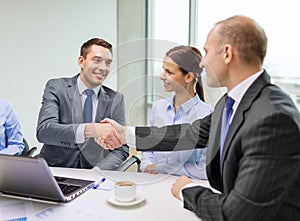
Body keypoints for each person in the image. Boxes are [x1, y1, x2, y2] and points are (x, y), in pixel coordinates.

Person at [96, 15, 300, 221]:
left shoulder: (274, 118)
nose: (202, 62)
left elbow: (237, 213)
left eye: (207, 52)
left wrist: (187, 189)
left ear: (227, 53)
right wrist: (124, 134)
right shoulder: (229, 103)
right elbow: (189, 134)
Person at [36, 38, 129, 169]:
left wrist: (98, 172)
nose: (103, 68)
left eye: (108, 63)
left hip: (93, 174)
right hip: (55, 170)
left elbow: (121, 148)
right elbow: (45, 131)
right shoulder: (57, 87)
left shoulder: (115, 98)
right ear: (81, 61)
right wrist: (92, 130)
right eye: (97, 60)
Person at [141, 45, 212, 179]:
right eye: (163, 70)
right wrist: (146, 166)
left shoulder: (206, 115)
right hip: (152, 180)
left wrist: (160, 168)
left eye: (169, 72)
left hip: (184, 185)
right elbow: (148, 147)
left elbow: (203, 169)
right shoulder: (158, 107)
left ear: (189, 77)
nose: (162, 76)